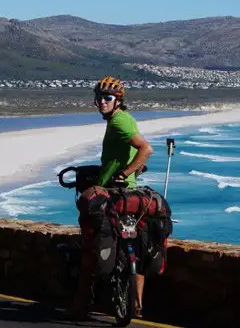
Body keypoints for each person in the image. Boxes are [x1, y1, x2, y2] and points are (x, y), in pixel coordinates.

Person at [67, 76, 154, 320]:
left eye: (107, 98)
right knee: (135, 245)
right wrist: (133, 170)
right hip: (131, 193)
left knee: (89, 248)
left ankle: (81, 304)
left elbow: (145, 149)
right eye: (99, 99)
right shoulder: (124, 119)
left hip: (114, 193)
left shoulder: (118, 122)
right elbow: (130, 154)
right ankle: (136, 305)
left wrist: (124, 173)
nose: (101, 103)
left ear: (118, 101)